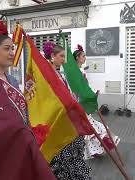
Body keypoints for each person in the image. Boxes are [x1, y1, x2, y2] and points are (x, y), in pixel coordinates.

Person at [43, 42, 91, 180]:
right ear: (52, 56)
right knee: (63, 156)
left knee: (75, 150)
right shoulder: (48, 75)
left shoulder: (59, 74)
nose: (64, 59)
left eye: (64, 56)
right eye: (61, 56)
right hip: (58, 121)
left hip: (67, 118)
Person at [72, 44, 120, 159]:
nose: (85, 58)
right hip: (80, 103)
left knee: (89, 127)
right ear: (78, 58)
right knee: (89, 127)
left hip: (84, 103)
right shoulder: (75, 72)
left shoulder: (80, 70)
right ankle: (96, 148)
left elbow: (85, 87)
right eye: (83, 56)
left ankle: (95, 150)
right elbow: (78, 89)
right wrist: (89, 94)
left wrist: (92, 93)